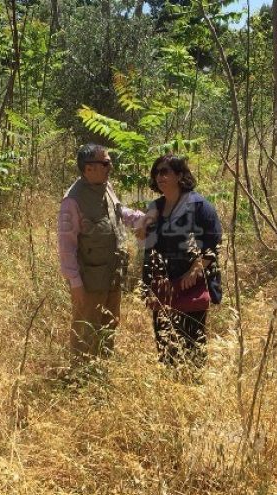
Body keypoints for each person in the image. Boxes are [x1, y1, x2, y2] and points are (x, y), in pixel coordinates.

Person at [58, 143, 145, 366]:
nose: (110, 166)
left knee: (109, 324)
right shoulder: (72, 201)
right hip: (89, 281)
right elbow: (66, 247)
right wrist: (75, 283)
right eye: (106, 163)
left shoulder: (106, 187)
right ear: (89, 168)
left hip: (112, 274)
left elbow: (118, 211)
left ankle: (103, 369)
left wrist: (138, 218)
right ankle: (81, 375)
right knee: (86, 330)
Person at [137, 154, 222, 367]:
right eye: (156, 172)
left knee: (192, 343)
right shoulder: (155, 207)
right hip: (163, 286)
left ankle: (193, 379)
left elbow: (213, 243)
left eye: (165, 171)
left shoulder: (200, 206)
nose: (159, 176)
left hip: (190, 285)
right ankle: (170, 378)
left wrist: (195, 270)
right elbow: (148, 245)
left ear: (180, 175)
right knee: (165, 343)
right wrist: (142, 228)